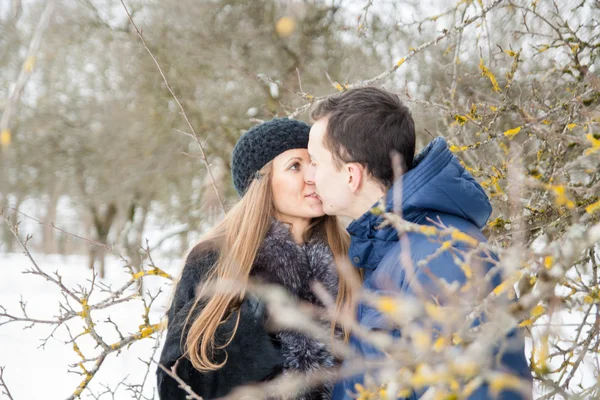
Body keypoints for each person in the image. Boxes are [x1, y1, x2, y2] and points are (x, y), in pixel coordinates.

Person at [305, 87, 532, 399]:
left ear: (351, 175)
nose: (310, 177)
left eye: (315, 162)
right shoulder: (390, 249)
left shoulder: (443, 254)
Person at [157, 118, 357, 400]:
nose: (312, 176)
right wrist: (257, 319)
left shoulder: (351, 255)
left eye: (314, 163)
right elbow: (177, 380)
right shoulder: (216, 258)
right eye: (295, 166)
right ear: (261, 183)